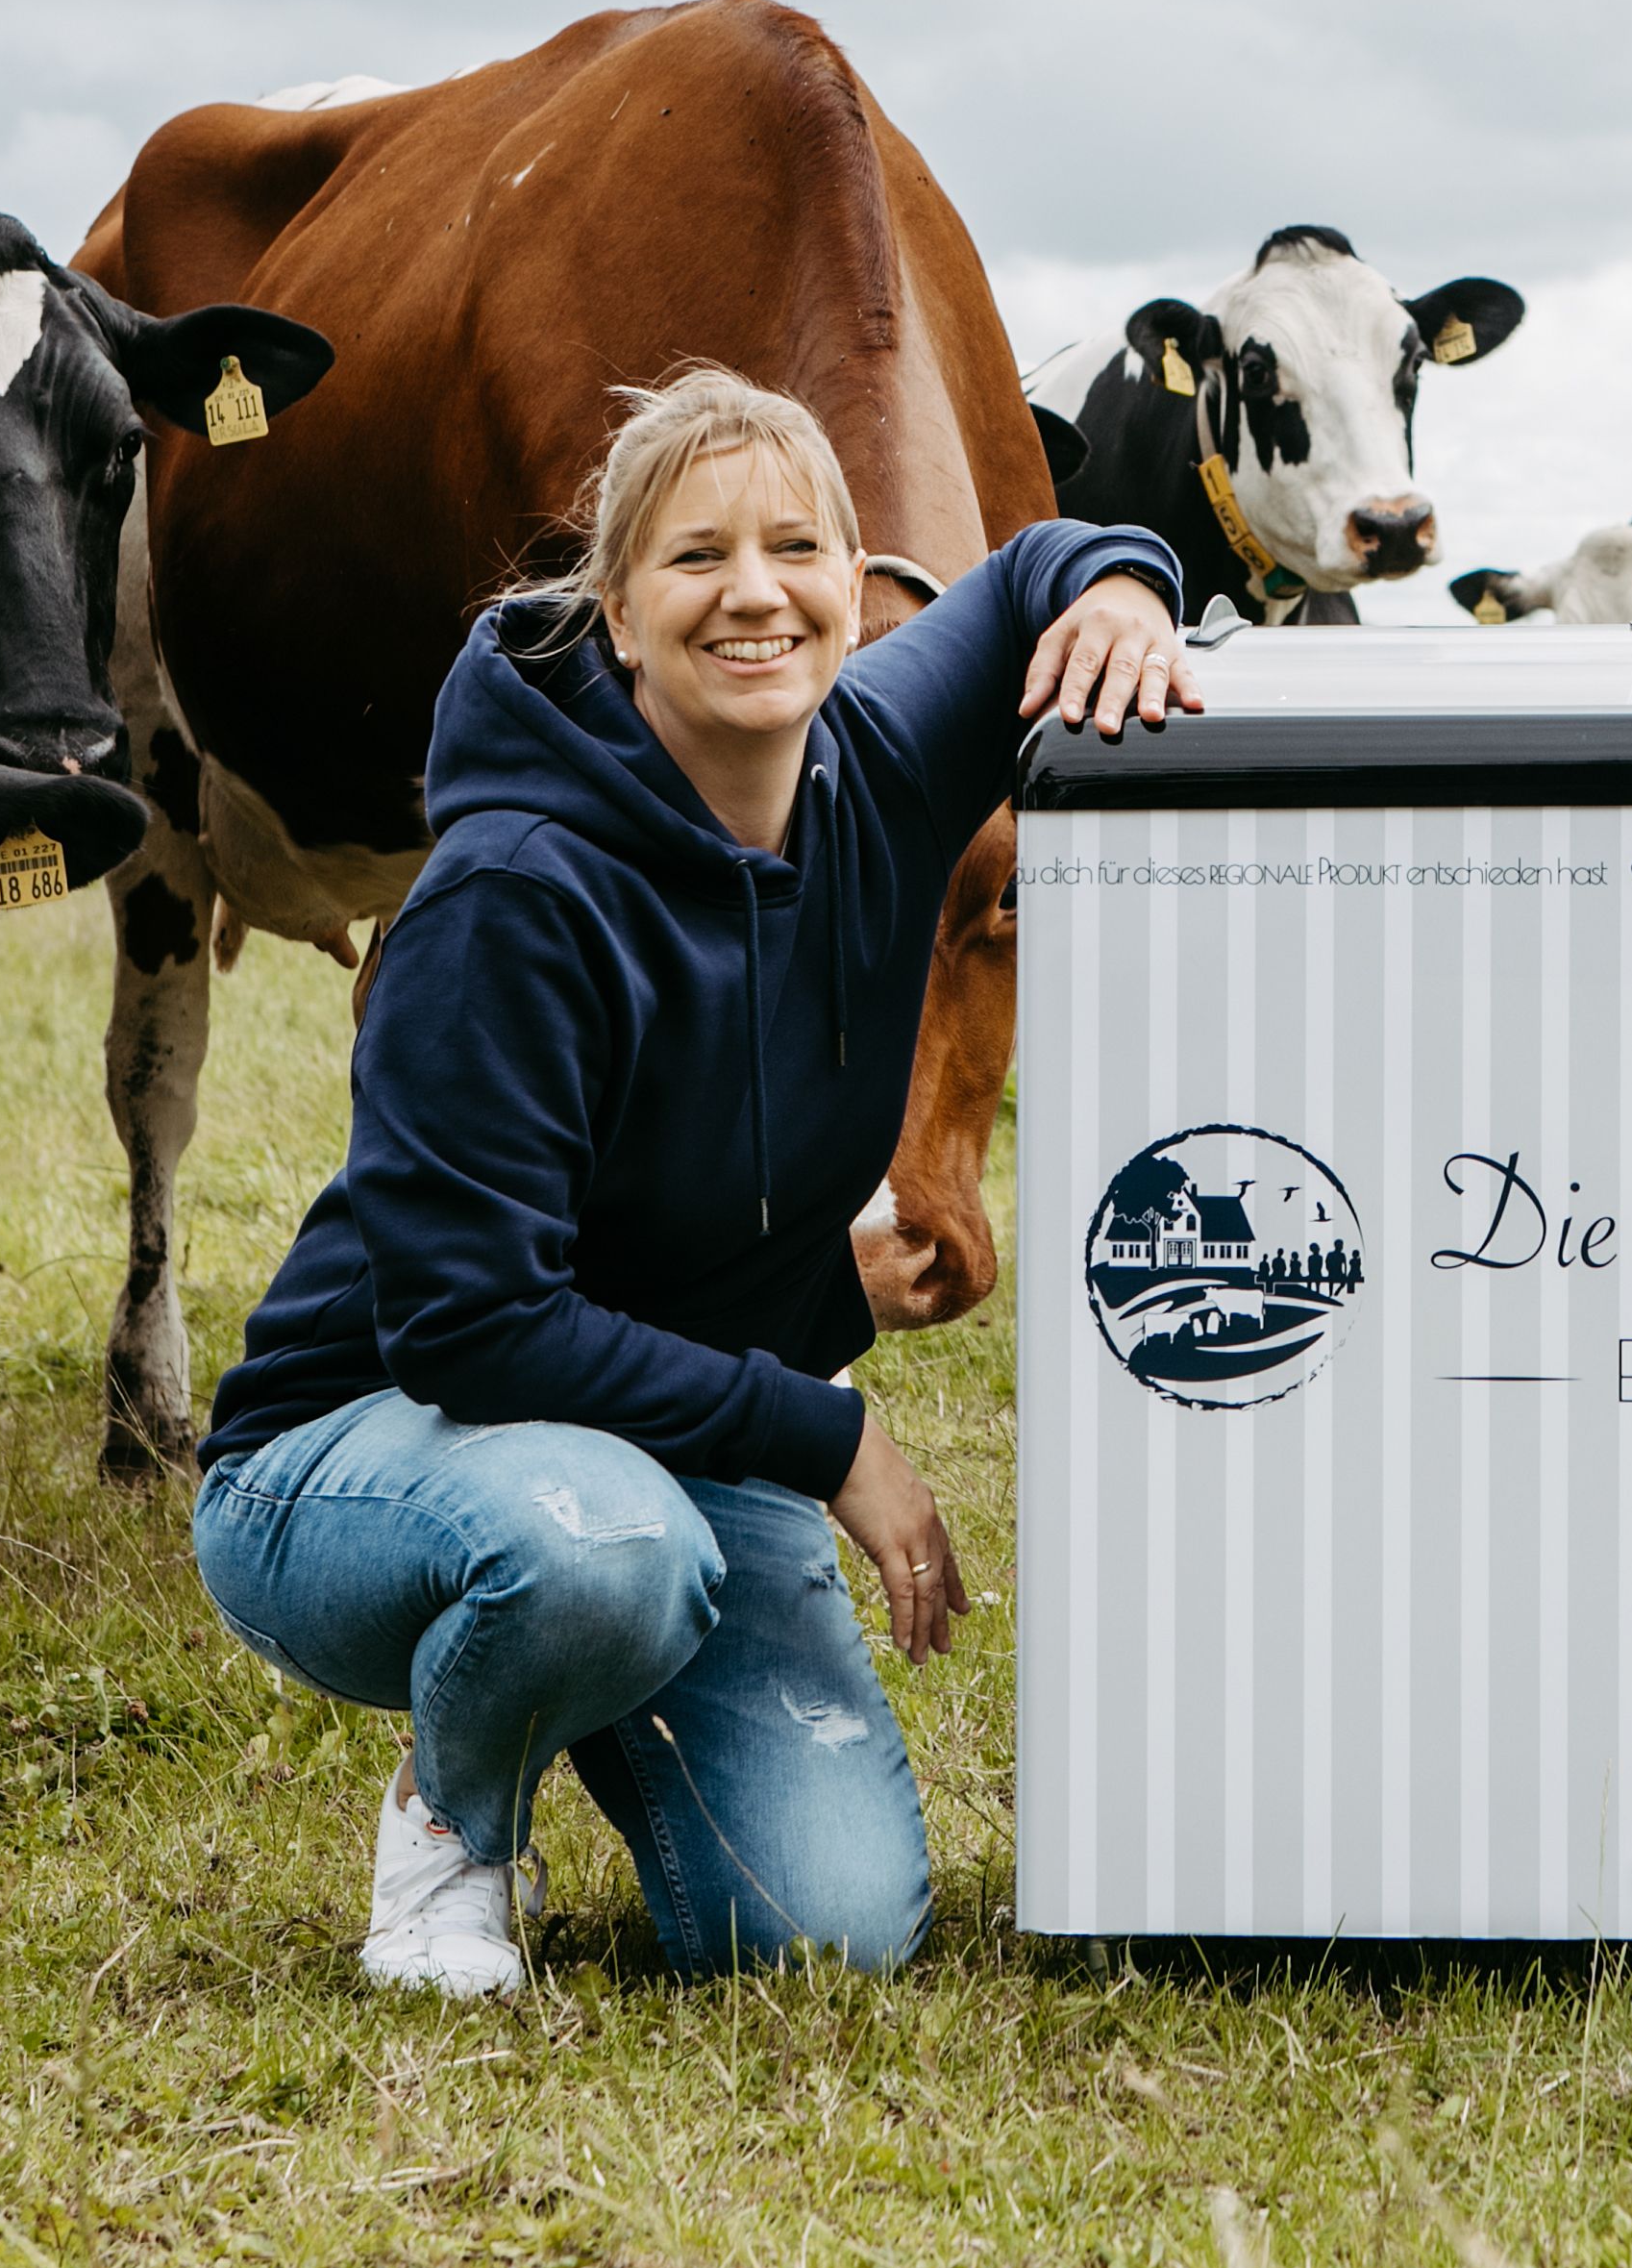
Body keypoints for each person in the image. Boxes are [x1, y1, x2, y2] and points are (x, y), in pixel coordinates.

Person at [191, 368, 1190, 1995]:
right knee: (608, 1558)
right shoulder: (509, 895)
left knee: (824, 1933)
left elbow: (1028, 574)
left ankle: (591, 1663)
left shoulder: (873, 758)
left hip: (660, 1432)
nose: (754, 592)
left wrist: (1123, 588)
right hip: (358, 1445)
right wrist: (828, 1428)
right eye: (694, 556)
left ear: (856, 592)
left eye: (797, 547)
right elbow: (469, 1327)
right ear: (621, 611)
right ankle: (453, 1829)